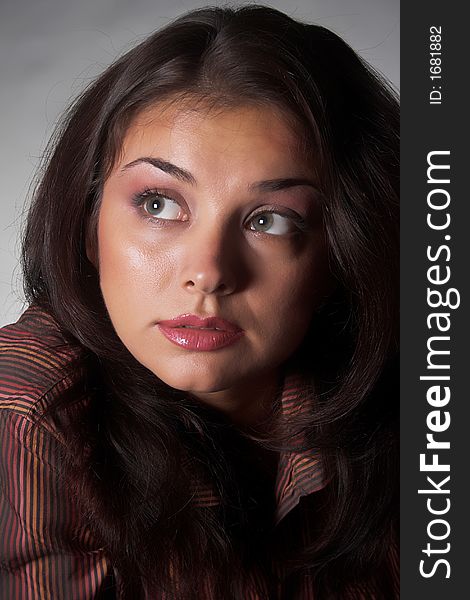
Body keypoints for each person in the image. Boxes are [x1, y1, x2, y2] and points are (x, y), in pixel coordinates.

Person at [0, 5, 399, 599]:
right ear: (88, 227)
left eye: (271, 220)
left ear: (340, 255)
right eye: (158, 204)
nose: (209, 273)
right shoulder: (28, 415)